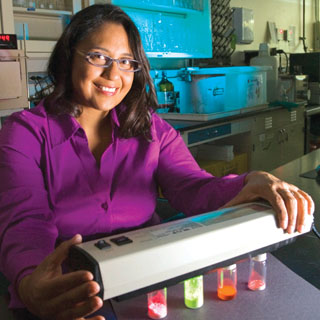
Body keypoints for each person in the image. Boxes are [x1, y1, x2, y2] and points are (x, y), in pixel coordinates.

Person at [0, 4, 314, 320]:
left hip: (145, 282)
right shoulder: (25, 133)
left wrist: (251, 182)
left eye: (125, 62)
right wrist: (32, 284)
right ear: (69, 56)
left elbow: (194, 187)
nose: (113, 75)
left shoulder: (150, 129)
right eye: (98, 57)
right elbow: (25, 222)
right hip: (68, 293)